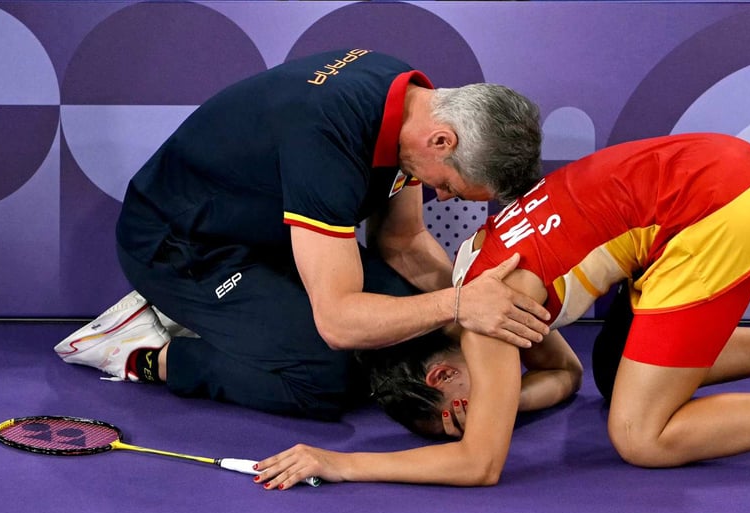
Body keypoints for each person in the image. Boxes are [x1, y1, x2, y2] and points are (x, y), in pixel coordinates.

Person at [252, 132, 750, 489]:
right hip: (708, 171)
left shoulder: (484, 316)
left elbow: (478, 464)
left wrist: (341, 464)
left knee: (640, 433)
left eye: (464, 410)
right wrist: (506, 397)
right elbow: (562, 378)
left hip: (711, 208)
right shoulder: (476, 268)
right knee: (617, 363)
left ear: (443, 380)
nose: (497, 407)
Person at [54, 48, 550, 420]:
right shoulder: (327, 138)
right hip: (183, 247)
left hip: (271, 231)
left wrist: (503, 319)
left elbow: (402, 245)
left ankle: (246, 322)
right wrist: (460, 305)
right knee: (325, 379)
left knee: (408, 319)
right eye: (450, 185)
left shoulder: (413, 107)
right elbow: (338, 322)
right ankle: (146, 352)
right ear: (443, 141)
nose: (442, 197)